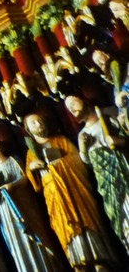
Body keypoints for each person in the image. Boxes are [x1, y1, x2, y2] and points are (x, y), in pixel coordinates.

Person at [23, 112, 118, 270]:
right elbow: (35, 185)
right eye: (33, 123)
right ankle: (78, 263)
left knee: (86, 222)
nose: (38, 124)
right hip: (56, 198)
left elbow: (78, 161)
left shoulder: (61, 140)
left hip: (75, 192)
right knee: (66, 230)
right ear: (28, 129)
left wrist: (57, 164)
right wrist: (33, 169)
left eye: (40, 121)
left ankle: (100, 261)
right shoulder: (31, 153)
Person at [0, 135, 64, 272]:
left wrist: (11, 186)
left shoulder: (13, 160)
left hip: (23, 209)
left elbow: (25, 178)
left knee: (33, 240)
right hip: (6, 217)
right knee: (17, 246)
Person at [65, 94, 129, 252]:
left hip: (124, 172)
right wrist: (84, 149)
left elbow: (126, 137)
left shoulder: (107, 118)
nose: (72, 109)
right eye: (69, 108)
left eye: (74, 102)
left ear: (84, 99)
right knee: (122, 218)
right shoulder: (82, 135)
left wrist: (119, 141)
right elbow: (88, 163)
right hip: (108, 184)